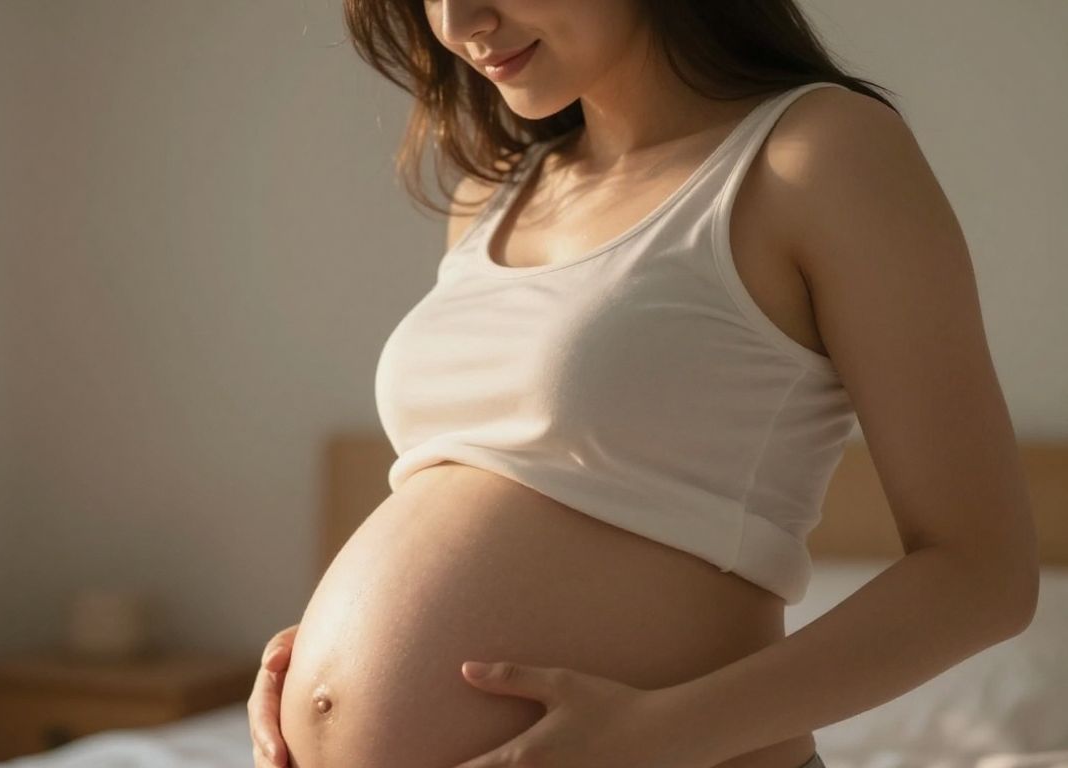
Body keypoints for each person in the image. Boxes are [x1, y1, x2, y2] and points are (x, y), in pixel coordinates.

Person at [249, 1, 1038, 767]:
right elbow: (492, 492)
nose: (457, 23)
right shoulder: (492, 196)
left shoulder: (816, 152)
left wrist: (663, 732)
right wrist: (319, 665)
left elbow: (981, 576)